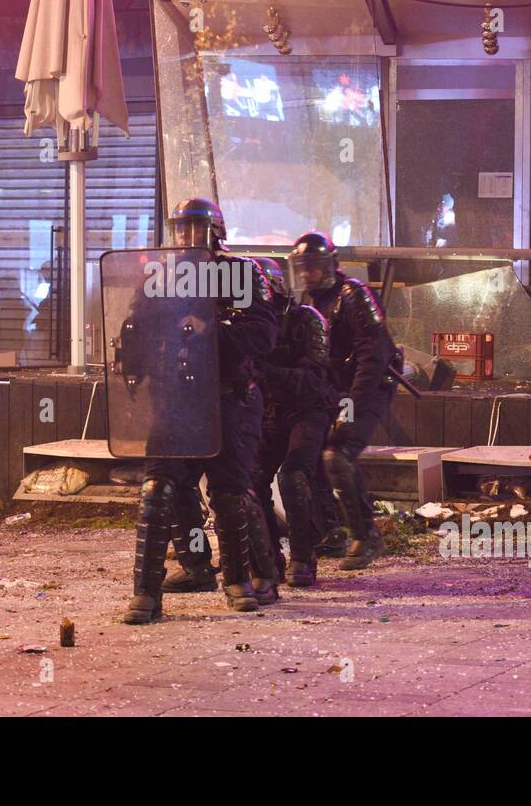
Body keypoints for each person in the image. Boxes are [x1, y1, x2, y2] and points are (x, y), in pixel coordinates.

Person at [124, 198, 279, 624]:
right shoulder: (162, 276)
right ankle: (148, 593)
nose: (187, 237)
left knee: (230, 492)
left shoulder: (241, 273)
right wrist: (132, 354)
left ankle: (243, 579)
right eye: (181, 229)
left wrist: (214, 331)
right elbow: (137, 323)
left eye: (195, 228)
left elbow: (264, 333)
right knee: (160, 489)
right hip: (175, 398)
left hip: (229, 396)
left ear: (214, 232)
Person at [289, 232, 400, 570]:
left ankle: (366, 535)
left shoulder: (354, 296)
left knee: (338, 454)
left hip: (369, 387)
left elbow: (374, 356)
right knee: (313, 451)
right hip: (335, 388)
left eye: (313, 267)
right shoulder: (310, 299)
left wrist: (349, 407)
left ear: (330, 265)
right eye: (303, 267)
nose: (307, 274)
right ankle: (330, 531)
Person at [248, 257, 335, 587]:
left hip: (307, 411)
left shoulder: (306, 320)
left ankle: (303, 556)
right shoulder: (252, 324)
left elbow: (313, 379)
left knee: (293, 475)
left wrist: (268, 373)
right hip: (269, 412)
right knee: (252, 481)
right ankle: (269, 557)